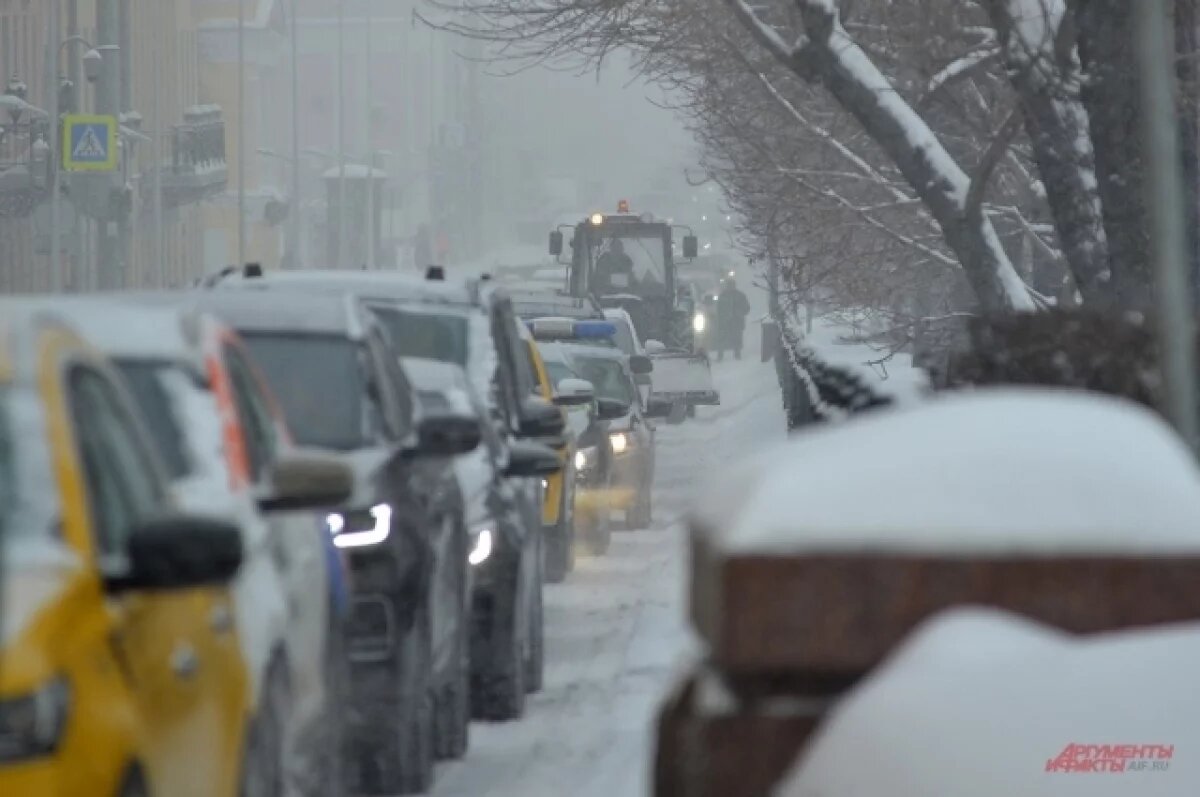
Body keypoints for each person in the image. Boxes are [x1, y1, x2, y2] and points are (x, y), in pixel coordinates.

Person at [715, 277, 751, 361]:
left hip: (737, 321)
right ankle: (720, 356)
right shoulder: (722, 295)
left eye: (731, 285)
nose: (730, 287)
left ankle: (737, 355)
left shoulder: (740, 296)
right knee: (722, 339)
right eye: (729, 285)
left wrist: (740, 312)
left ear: (734, 285)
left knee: (737, 338)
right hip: (725, 321)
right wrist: (721, 319)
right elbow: (719, 309)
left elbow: (747, 308)